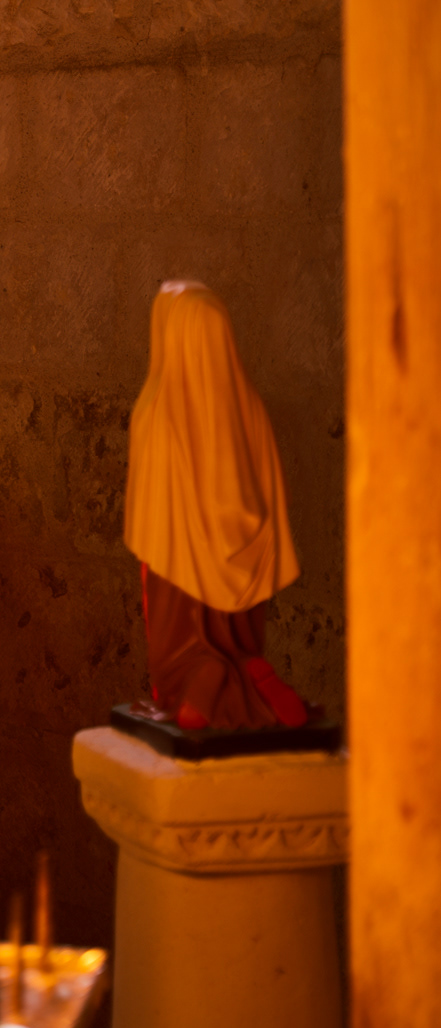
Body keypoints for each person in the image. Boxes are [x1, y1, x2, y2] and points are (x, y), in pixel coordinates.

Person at [124, 282, 310, 732]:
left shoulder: (157, 413)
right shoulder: (250, 408)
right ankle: (238, 665)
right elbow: (269, 501)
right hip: (242, 590)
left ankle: (200, 680)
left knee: (180, 654)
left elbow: (152, 529)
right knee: (238, 640)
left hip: (176, 578)